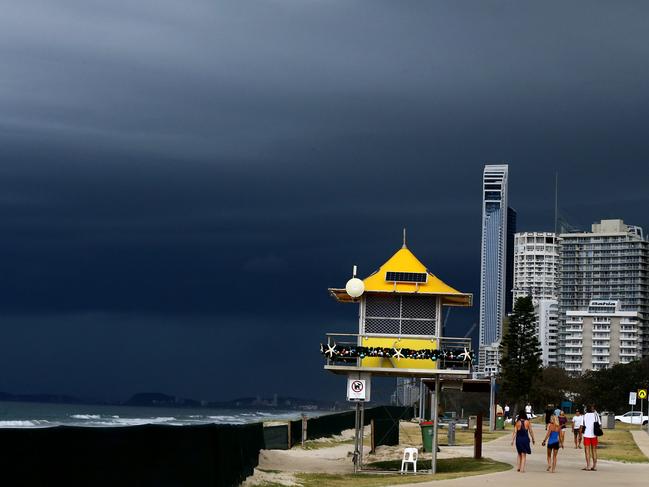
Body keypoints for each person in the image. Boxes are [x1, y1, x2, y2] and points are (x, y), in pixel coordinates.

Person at [582, 404, 600, 471]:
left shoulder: (584, 415)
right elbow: (599, 424)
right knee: (594, 450)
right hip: (594, 435)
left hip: (586, 435)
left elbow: (582, 425)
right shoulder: (596, 415)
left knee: (587, 450)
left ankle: (588, 466)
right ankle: (594, 466)